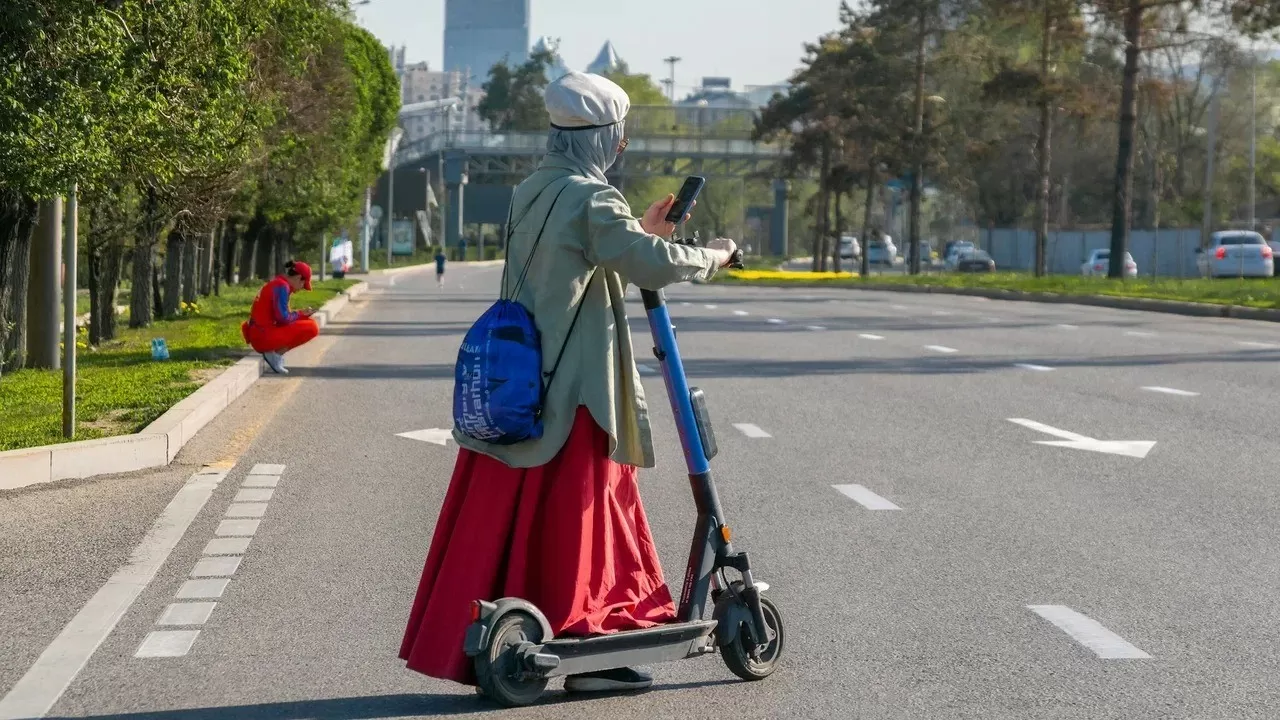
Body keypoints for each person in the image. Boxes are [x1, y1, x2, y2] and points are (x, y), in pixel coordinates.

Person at [399, 70, 738, 695]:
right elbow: (648, 264)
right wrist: (711, 256)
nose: (624, 145)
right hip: (577, 387)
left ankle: (520, 637)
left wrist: (640, 232)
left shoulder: (534, 189)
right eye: (619, 134)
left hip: (524, 383)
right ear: (600, 137)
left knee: (519, 513)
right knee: (589, 513)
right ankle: (590, 647)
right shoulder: (591, 198)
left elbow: (593, 252)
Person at [240, 260, 319, 375]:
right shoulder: (282, 287)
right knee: (312, 327)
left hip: (258, 333)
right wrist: (301, 314)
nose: (301, 288)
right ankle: (274, 355)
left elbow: (280, 317)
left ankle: (273, 354)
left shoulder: (278, 283)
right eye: (303, 284)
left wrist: (300, 315)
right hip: (263, 336)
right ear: (298, 277)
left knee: (306, 321)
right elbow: (283, 319)